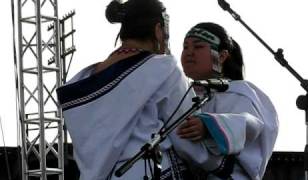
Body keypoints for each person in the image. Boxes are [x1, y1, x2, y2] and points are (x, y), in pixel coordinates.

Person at [57, 1, 218, 180]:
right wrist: (219, 162)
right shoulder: (163, 69)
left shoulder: (87, 78)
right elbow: (186, 135)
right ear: (158, 29)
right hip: (150, 173)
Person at [177, 22, 279, 180]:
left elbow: (251, 124)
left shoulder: (239, 91)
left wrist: (209, 126)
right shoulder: (182, 93)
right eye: (185, 47)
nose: (189, 53)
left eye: (198, 47)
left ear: (222, 56)